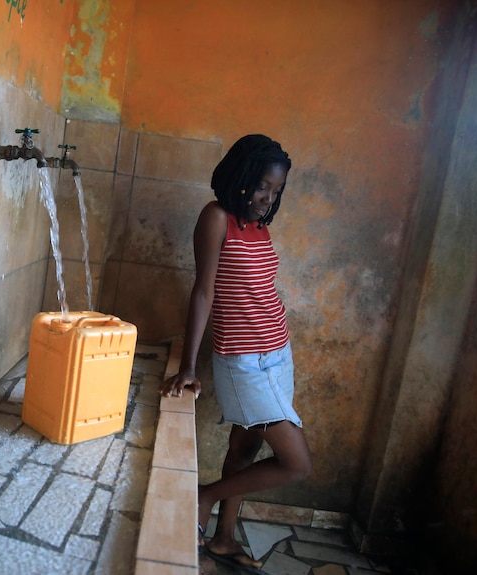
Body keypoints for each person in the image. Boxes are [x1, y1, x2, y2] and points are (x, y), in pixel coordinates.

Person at [159, 134, 312, 570]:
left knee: (242, 453)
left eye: (277, 190)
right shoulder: (217, 218)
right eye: (263, 186)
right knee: (297, 463)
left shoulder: (258, 225)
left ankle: (224, 539)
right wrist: (189, 365)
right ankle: (202, 497)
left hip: (278, 354)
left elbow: (260, 290)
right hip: (243, 362)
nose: (268, 198)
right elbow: (204, 292)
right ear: (243, 177)